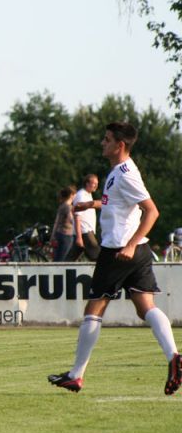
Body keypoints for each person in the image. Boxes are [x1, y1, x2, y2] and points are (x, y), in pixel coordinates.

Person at [48, 122, 181, 395]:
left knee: (93, 310)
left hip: (119, 250)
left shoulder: (126, 174)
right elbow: (119, 203)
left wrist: (129, 245)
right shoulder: (118, 171)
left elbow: (152, 211)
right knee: (145, 308)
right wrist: (92, 204)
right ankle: (174, 357)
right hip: (137, 250)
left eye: (107, 139)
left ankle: (76, 375)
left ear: (120, 145)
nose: (102, 143)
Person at [66, 174, 101, 261]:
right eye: (94, 183)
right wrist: (79, 237)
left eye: (97, 183)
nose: (96, 186)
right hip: (85, 232)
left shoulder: (88, 195)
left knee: (70, 259)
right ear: (87, 183)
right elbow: (77, 216)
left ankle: (61, 268)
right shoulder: (81, 195)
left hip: (85, 232)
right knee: (98, 257)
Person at [51, 185, 76, 261]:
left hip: (59, 234)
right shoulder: (68, 207)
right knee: (62, 259)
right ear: (71, 195)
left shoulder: (62, 206)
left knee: (57, 257)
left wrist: (53, 235)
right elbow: (72, 220)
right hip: (66, 235)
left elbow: (56, 222)